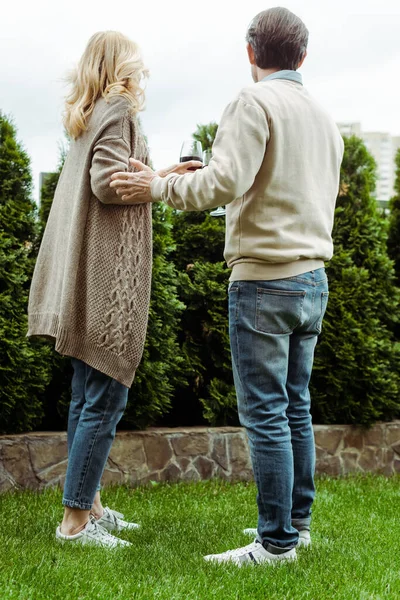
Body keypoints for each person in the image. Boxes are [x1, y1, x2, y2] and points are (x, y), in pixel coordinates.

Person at [110, 7, 344, 565]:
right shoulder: (324, 115)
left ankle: (275, 543)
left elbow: (224, 182)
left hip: (264, 280)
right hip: (314, 280)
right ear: (302, 57)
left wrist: (160, 185)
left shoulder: (252, 101)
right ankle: (298, 527)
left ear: (250, 52)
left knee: (266, 413)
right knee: (295, 409)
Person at [28, 31, 198, 548]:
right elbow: (108, 182)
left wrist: (162, 174)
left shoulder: (89, 113)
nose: (141, 73)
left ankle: (90, 505)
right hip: (106, 278)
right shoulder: (119, 108)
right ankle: (75, 523)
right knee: (104, 397)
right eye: (136, 64)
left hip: (86, 274)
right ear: (121, 66)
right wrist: (159, 182)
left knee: (86, 395)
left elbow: (114, 175)